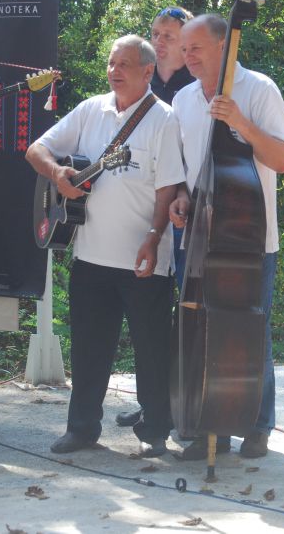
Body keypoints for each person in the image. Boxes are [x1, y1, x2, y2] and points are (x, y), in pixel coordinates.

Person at [26, 35, 184, 458]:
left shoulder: (165, 120)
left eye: (125, 65)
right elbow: (36, 149)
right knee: (89, 346)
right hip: (90, 253)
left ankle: (155, 430)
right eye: (112, 63)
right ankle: (81, 428)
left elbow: (169, 187)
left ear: (148, 72)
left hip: (143, 258)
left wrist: (154, 238)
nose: (115, 71)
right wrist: (59, 173)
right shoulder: (90, 109)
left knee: (152, 348)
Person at [170, 14, 284, 460]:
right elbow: (188, 169)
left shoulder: (259, 89)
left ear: (225, 47)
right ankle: (214, 428)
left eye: (197, 48)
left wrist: (241, 123)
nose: (188, 57)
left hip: (248, 240)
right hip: (201, 238)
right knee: (204, 330)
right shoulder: (185, 98)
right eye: (184, 49)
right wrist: (183, 200)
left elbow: (282, 158)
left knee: (250, 329)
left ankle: (258, 424)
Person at [115, 5, 195, 431]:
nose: (161, 41)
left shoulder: (199, 85)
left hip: (180, 213)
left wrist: (180, 193)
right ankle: (152, 404)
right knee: (148, 319)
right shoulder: (139, 81)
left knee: (184, 317)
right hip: (135, 213)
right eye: (156, 34)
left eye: (169, 35)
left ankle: (182, 408)